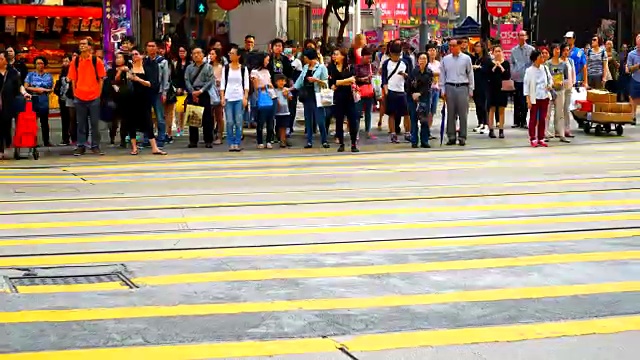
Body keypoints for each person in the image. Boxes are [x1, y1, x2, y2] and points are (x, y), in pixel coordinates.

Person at [120, 48, 167, 155]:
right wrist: (125, 73)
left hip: (144, 97)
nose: (134, 56)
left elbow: (151, 84)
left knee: (147, 120)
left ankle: (154, 147)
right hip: (131, 97)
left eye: (136, 54)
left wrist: (138, 80)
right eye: (132, 55)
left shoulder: (148, 67)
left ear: (142, 55)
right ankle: (134, 147)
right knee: (131, 121)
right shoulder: (129, 68)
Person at [68, 37, 107, 156]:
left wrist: (98, 94)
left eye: (84, 44)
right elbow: (73, 79)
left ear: (90, 47)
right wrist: (75, 93)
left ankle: (95, 146)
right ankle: (81, 146)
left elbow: (101, 79)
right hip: (79, 96)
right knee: (81, 123)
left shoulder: (97, 61)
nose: (82, 46)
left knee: (95, 123)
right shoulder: (75, 61)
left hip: (94, 96)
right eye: (80, 44)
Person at [440, 38, 474, 146]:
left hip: (463, 87)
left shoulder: (466, 58)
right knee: (451, 114)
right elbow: (442, 75)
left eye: (454, 45)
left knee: (463, 114)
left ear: (459, 46)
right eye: (450, 45)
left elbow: (470, 74)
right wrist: (443, 90)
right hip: (450, 86)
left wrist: (471, 89)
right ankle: (451, 136)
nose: (452, 48)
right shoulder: (445, 59)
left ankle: (462, 137)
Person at [293, 48, 329, 148]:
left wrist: (316, 80)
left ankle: (324, 140)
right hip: (307, 96)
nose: (304, 59)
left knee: (320, 119)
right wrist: (291, 88)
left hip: (317, 96)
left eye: (305, 57)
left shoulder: (321, 67)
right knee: (308, 119)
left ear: (309, 57)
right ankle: (309, 141)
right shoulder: (305, 67)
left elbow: (326, 83)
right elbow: (299, 81)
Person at [0, 51, 31, 159]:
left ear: (5, 60)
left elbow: (19, 85)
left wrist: (25, 93)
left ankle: (6, 145)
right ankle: (1, 150)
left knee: (6, 125)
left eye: (1, 59)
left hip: (9, 102)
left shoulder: (13, 72)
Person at [220, 43, 249, 152]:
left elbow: (246, 85)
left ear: (238, 56)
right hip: (228, 97)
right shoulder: (226, 68)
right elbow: (223, 84)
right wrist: (222, 97)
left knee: (238, 121)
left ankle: (237, 142)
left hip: (239, 97)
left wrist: (245, 98)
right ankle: (231, 142)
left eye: (232, 53)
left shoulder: (243, 69)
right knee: (229, 121)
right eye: (229, 53)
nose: (230, 55)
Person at [328, 48, 359, 152]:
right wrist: (346, 80)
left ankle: (353, 143)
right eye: (334, 54)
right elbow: (333, 83)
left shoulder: (350, 67)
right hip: (338, 98)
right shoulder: (332, 67)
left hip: (349, 97)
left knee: (352, 120)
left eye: (336, 54)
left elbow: (353, 80)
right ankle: (341, 143)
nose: (334, 56)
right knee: (339, 121)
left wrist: (340, 82)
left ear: (343, 56)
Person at [184, 47, 215, 148]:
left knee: (207, 119)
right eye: (194, 54)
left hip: (204, 93)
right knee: (192, 117)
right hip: (192, 93)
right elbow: (187, 80)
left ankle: (208, 140)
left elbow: (210, 81)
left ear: (203, 55)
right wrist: (192, 92)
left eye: (198, 53)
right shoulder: (189, 68)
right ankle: (193, 141)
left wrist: (201, 91)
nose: (196, 55)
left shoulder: (208, 67)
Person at [381, 41, 409, 144]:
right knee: (391, 114)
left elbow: (410, 77)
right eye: (394, 55)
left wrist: (405, 76)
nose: (396, 57)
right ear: (390, 53)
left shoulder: (405, 62)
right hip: (391, 91)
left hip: (402, 91)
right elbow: (384, 78)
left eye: (398, 55)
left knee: (406, 113)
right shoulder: (386, 63)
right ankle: (393, 134)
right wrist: (386, 91)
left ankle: (408, 133)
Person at [524, 49, 553, 147]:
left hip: (544, 96)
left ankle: (541, 137)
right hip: (534, 97)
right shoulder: (529, 71)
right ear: (535, 58)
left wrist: (550, 85)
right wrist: (528, 99)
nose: (542, 58)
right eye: (540, 56)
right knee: (533, 118)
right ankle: (533, 138)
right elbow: (526, 86)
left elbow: (550, 79)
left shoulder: (545, 68)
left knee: (542, 118)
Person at [24, 56, 54, 147]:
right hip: (33, 98)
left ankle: (46, 141)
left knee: (44, 121)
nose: (40, 65)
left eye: (41, 63)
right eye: (38, 63)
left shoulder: (48, 76)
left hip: (44, 98)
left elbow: (51, 88)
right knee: (33, 121)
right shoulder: (30, 75)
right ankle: (32, 142)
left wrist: (44, 90)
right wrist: (37, 89)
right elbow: (26, 86)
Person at [144, 39, 168, 146]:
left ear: (157, 48)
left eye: (153, 46)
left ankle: (161, 138)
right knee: (146, 116)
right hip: (146, 92)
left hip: (158, 92)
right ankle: (147, 138)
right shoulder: (144, 61)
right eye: (149, 46)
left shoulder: (162, 61)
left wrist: (164, 93)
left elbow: (165, 79)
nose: (151, 48)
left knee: (160, 116)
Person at [510, 31, 535, 129]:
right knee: (516, 100)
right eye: (520, 35)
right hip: (517, 78)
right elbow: (511, 63)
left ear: (527, 37)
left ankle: (524, 121)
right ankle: (516, 121)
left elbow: (533, 62)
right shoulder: (513, 50)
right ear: (517, 37)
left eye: (523, 35)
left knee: (525, 101)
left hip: (527, 79)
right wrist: (513, 72)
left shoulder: (531, 49)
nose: (522, 37)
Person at [409, 52, 434, 148]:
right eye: (420, 58)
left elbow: (428, 86)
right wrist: (413, 94)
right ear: (417, 60)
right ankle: (414, 140)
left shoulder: (429, 72)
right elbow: (408, 85)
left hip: (425, 98)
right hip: (413, 99)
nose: (422, 61)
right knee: (414, 119)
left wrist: (419, 93)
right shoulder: (413, 72)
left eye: (424, 58)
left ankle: (424, 141)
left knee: (424, 120)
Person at [251, 52, 276, 148]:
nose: (268, 62)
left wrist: (270, 86)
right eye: (267, 60)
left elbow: (271, 84)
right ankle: (260, 141)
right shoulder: (254, 72)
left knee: (271, 120)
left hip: (271, 96)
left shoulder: (267, 71)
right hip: (261, 97)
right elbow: (256, 86)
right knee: (261, 121)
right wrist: (265, 86)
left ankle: (269, 140)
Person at [546, 43, 570, 143]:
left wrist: (562, 82)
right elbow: (546, 77)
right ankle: (545, 133)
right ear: (552, 51)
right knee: (547, 113)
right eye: (555, 49)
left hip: (560, 91)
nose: (557, 51)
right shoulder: (547, 64)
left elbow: (567, 78)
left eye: (558, 49)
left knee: (560, 113)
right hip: (550, 91)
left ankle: (561, 134)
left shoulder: (564, 64)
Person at [487, 45, 511, 139]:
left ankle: (501, 129)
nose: (498, 53)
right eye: (496, 51)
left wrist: (500, 66)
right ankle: (491, 129)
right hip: (492, 88)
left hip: (502, 89)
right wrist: (494, 67)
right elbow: (488, 75)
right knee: (491, 109)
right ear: (493, 53)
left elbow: (507, 76)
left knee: (501, 109)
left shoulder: (506, 63)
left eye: (499, 51)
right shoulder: (490, 63)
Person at [106, 53, 129, 148]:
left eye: (120, 57)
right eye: (117, 58)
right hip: (113, 98)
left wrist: (125, 71)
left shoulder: (128, 70)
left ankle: (123, 139)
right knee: (113, 120)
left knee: (125, 120)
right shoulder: (111, 71)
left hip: (125, 98)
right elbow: (111, 82)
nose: (118, 59)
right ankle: (112, 138)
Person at [355, 47, 376, 140]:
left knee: (368, 113)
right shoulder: (357, 67)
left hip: (369, 92)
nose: (369, 60)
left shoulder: (371, 66)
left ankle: (368, 131)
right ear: (362, 57)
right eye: (367, 58)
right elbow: (354, 78)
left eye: (370, 58)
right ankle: (356, 132)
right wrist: (362, 79)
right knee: (358, 113)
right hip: (359, 92)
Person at [470, 41, 491, 134]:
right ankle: (480, 123)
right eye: (475, 46)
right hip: (476, 84)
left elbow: (487, 70)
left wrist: (478, 67)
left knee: (484, 105)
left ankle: (486, 124)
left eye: (478, 46)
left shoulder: (486, 59)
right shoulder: (476, 58)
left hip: (484, 84)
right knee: (477, 104)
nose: (476, 48)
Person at [172, 46, 190, 136]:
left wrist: (187, 88)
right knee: (180, 109)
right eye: (180, 51)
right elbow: (174, 77)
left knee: (187, 109)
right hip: (179, 89)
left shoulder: (190, 63)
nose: (181, 53)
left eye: (183, 51)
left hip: (189, 88)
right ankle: (179, 128)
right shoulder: (176, 63)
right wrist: (177, 87)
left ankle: (184, 127)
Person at [57, 54, 74, 146]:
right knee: (64, 120)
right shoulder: (62, 73)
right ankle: (65, 138)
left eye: (67, 61)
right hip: (63, 98)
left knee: (73, 119)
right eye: (63, 61)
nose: (65, 63)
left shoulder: (75, 71)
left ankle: (74, 138)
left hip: (72, 98)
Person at [560, 44, 576, 138]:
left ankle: (567, 129)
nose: (566, 52)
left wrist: (573, 83)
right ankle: (559, 129)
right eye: (565, 50)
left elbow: (573, 72)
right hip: (560, 88)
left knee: (567, 109)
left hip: (569, 88)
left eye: (568, 50)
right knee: (560, 110)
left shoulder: (570, 61)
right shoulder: (558, 61)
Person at [209, 48, 225, 145]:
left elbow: (223, 81)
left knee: (219, 116)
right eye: (210, 54)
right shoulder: (207, 66)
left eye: (213, 54)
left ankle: (219, 135)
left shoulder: (221, 67)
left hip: (218, 92)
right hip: (209, 92)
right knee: (210, 116)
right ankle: (210, 135)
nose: (210, 56)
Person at [273, 74, 292, 148]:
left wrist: (287, 94)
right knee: (279, 126)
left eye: (283, 81)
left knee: (284, 126)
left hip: (285, 111)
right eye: (280, 81)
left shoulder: (286, 89)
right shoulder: (275, 91)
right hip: (278, 112)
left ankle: (283, 140)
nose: (282, 82)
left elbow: (290, 98)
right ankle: (281, 139)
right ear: (276, 82)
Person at [628, 34, 640, 124]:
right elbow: (629, 68)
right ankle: (633, 117)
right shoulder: (631, 54)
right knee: (633, 98)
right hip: (635, 79)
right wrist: (638, 66)